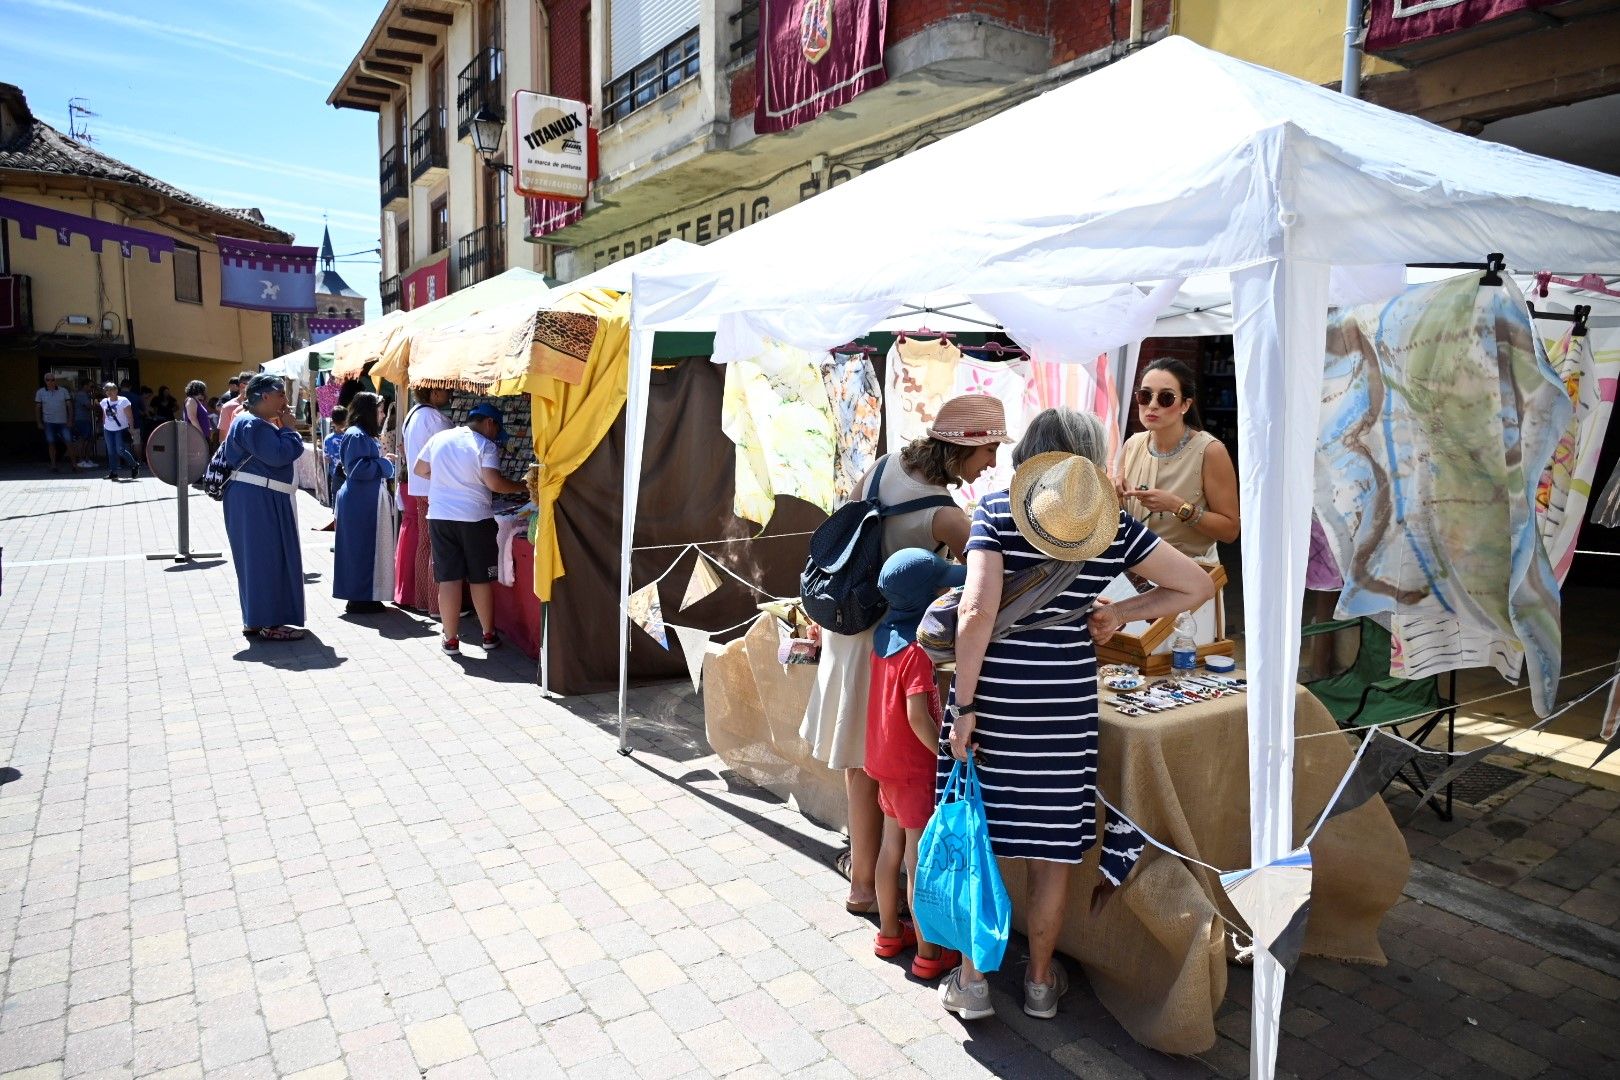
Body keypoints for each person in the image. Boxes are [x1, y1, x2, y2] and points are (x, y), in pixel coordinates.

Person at [937, 407, 1213, 1022]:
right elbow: (1196, 584)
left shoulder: (996, 513)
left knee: (977, 837)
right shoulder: (1112, 526)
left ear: (1031, 455)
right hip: (1064, 702)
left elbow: (976, 612)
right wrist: (1121, 612)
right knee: (1051, 852)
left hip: (998, 698)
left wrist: (964, 706)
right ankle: (1039, 983)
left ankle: (973, 981)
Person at [802, 393, 1005, 916]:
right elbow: (986, 583)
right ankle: (875, 889)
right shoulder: (947, 517)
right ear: (965, 447)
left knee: (858, 763)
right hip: (890, 643)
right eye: (990, 451)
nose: (994, 463)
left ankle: (862, 880)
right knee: (879, 765)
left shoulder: (883, 466)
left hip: (847, 627)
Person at [866, 548, 964, 982]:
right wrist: (942, 751)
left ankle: (889, 933)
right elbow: (916, 715)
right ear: (927, 597)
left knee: (891, 849)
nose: (947, 589)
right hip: (912, 765)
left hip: (884, 760)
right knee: (916, 856)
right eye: (941, 585)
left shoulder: (882, 637)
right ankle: (927, 952)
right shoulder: (918, 650)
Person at [412, 403, 526, 654]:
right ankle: (488, 635)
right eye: (497, 430)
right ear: (489, 423)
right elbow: (494, 483)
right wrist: (523, 487)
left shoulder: (440, 437)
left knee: (449, 580)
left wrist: (447, 481)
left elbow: (419, 469)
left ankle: (450, 640)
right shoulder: (485, 446)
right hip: (475, 518)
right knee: (480, 578)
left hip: (440, 517)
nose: (497, 436)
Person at [1113, 358, 1240, 560]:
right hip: (1133, 572)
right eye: (1145, 396)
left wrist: (1178, 507)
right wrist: (1113, 493)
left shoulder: (1210, 451)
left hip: (1189, 576)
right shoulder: (1131, 445)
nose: (1152, 405)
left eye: (1165, 398)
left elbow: (1230, 530)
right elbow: (1117, 518)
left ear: (1185, 405)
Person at [221, 374, 307, 641]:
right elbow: (279, 455)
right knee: (266, 560)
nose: (284, 399)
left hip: (258, 498)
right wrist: (289, 429)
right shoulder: (252, 424)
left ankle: (256, 619)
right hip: (257, 500)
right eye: (280, 393)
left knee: (259, 560)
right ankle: (269, 623)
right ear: (265, 396)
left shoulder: (253, 422)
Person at [332, 394, 396, 615]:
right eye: (379, 411)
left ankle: (365, 596)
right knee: (361, 549)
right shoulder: (356, 435)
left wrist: (382, 461)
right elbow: (358, 469)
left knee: (366, 548)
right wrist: (385, 464)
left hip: (364, 499)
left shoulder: (359, 434)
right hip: (361, 501)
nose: (382, 415)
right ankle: (359, 598)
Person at [395, 386, 453, 614]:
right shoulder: (434, 418)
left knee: (425, 545)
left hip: (420, 487)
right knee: (436, 547)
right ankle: (436, 604)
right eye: (445, 390)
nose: (449, 395)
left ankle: (423, 599)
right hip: (435, 488)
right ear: (434, 393)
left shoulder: (413, 414)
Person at [98, 382, 140, 481]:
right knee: (111, 451)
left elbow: (130, 416)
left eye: (111, 390)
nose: (109, 392)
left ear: (116, 390)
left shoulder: (123, 401)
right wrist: (103, 426)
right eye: (107, 390)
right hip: (108, 429)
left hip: (120, 429)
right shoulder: (104, 401)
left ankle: (134, 465)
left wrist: (131, 428)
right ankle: (113, 472)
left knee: (120, 450)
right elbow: (104, 415)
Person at [34, 372, 74, 472]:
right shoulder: (40, 392)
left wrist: (70, 420)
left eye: (52, 379)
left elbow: (69, 406)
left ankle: (74, 465)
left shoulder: (63, 391)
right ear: (45, 381)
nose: (50, 382)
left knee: (69, 442)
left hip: (63, 422)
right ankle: (53, 465)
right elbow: (37, 408)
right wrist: (39, 422)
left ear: (55, 380)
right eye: (48, 380)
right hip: (48, 422)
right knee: (51, 443)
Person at [318, 405, 349, 531]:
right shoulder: (349, 436)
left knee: (336, 505)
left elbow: (326, 459)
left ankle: (337, 531)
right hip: (349, 474)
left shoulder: (328, 439)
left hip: (336, 475)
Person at [217, 370, 256, 441]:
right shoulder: (228, 407)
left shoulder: (260, 405)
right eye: (254, 385)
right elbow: (223, 438)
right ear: (242, 386)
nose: (258, 388)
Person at [71, 377, 98, 468]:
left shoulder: (85, 394)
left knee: (90, 439)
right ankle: (81, 460)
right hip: (82, 420)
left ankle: (86, 459)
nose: (92, 389)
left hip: (85, 419)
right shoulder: (82, 394)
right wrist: (97, 405)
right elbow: (89, 406)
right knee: (83, 440)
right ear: (85, 386)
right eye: (91, 386)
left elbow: (92, 396)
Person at [182, 381, 214, 452]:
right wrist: (201, 436)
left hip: (203, 438)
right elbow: (193, 419)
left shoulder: (197, 401)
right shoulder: (191, 400)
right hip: (196, 438)